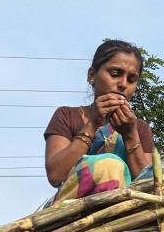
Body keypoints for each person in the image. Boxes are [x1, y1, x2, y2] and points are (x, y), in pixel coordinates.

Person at [44, 40, 155, 204]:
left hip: (127, 213)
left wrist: (131, 135)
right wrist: (92, 125)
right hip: (72, 211)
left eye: (131, 79)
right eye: (115, 73)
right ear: (92, 76)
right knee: (109, 166)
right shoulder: (67, 115)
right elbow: (56, 175)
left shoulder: (139, 128)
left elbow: (148, 185)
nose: (123, 84)